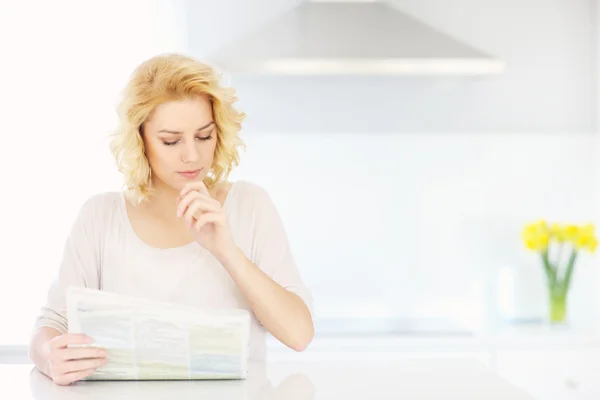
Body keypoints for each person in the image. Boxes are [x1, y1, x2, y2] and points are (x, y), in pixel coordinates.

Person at [27, 53, 314, 386]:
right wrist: (51, 356)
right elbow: (50, 325)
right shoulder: (100, 218)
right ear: (140, 140)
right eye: (171, 140)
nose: (192, 155)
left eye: (204, 136)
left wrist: (226, 251)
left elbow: (298, 334)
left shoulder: (250, 205)